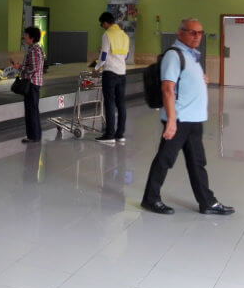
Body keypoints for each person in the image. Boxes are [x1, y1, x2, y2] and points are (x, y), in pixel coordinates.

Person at [141, 18, 235, 216]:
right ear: (180, 33)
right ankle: (150, 199)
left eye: (200, 33)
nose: (197, 36)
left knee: (197, 162)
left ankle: (207, 202)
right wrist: (172, 121)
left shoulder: (191, 56)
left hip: (193, 120)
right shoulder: (174, 56)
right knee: (164, 160)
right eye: (192, 32)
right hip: (179, 120)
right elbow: (167, 89)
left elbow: (186, 82)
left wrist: (201, 81)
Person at [94, 12, 129, 144]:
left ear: (106, 23)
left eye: (102, 24)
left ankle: (109, 135)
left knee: (109, 103)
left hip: (110, 73)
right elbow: (126, 56)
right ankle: (120, 134)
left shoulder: (107, 34)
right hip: (122, 73)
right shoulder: (124, 35)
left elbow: (103, 56)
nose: (102, 26)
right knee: (121, 103)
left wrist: (96, 68)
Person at [12, 26, 45, 144]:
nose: (24, 37)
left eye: (26, 35)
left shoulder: (34, 50)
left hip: (32, 84)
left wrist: (20, 67)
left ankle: (33, 136)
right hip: (34, 83)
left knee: (31, 110)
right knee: (33, 110)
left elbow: (33, 68)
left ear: (31, 37)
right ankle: (35, 135)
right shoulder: (36, 49)